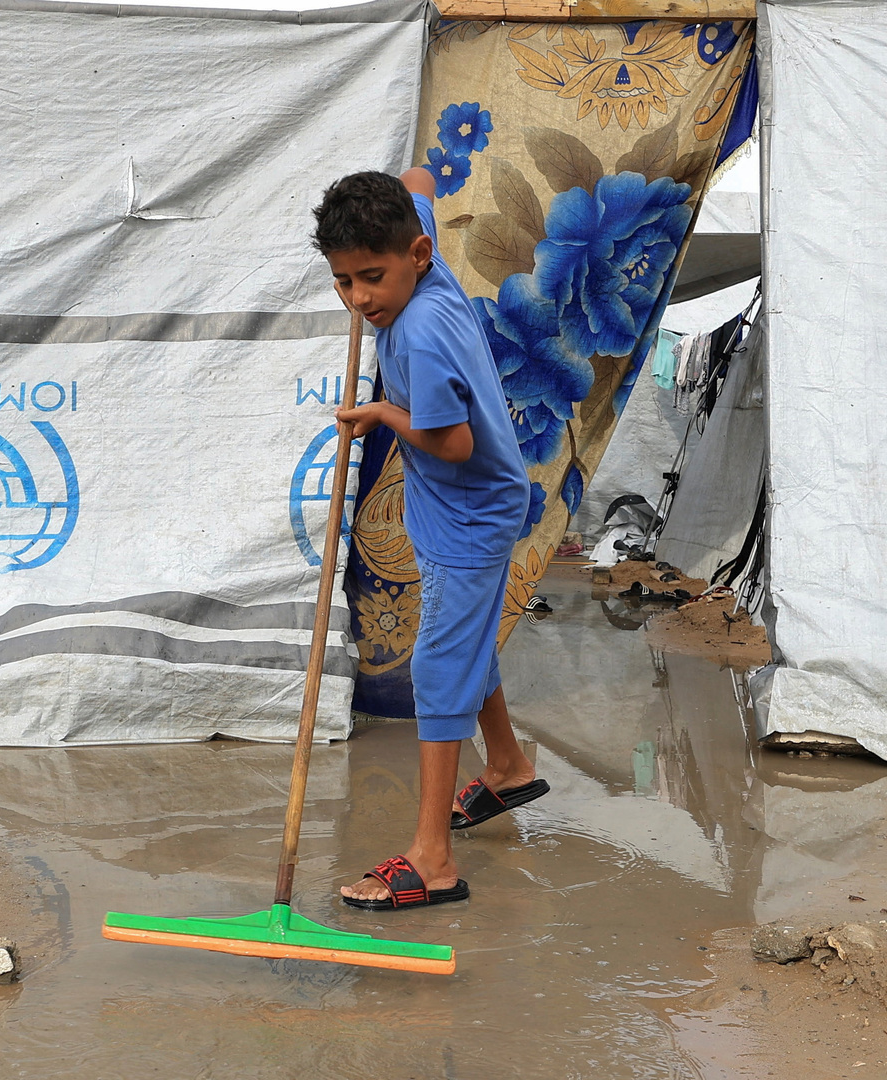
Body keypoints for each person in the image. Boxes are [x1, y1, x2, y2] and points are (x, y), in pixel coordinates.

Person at [313, 167, 551, 910]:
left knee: (440, 667)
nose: (360, 299)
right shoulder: (423, 265)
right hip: (458, 504)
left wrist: (382, 414)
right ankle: (506, 765)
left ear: (416, 255)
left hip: (467, 515)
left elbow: (452, 444)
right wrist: (385, 202)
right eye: (344, 281)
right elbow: (417, 178)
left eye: (371, 278)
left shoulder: (418, 337)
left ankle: (434, 858)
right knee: (463, 637)